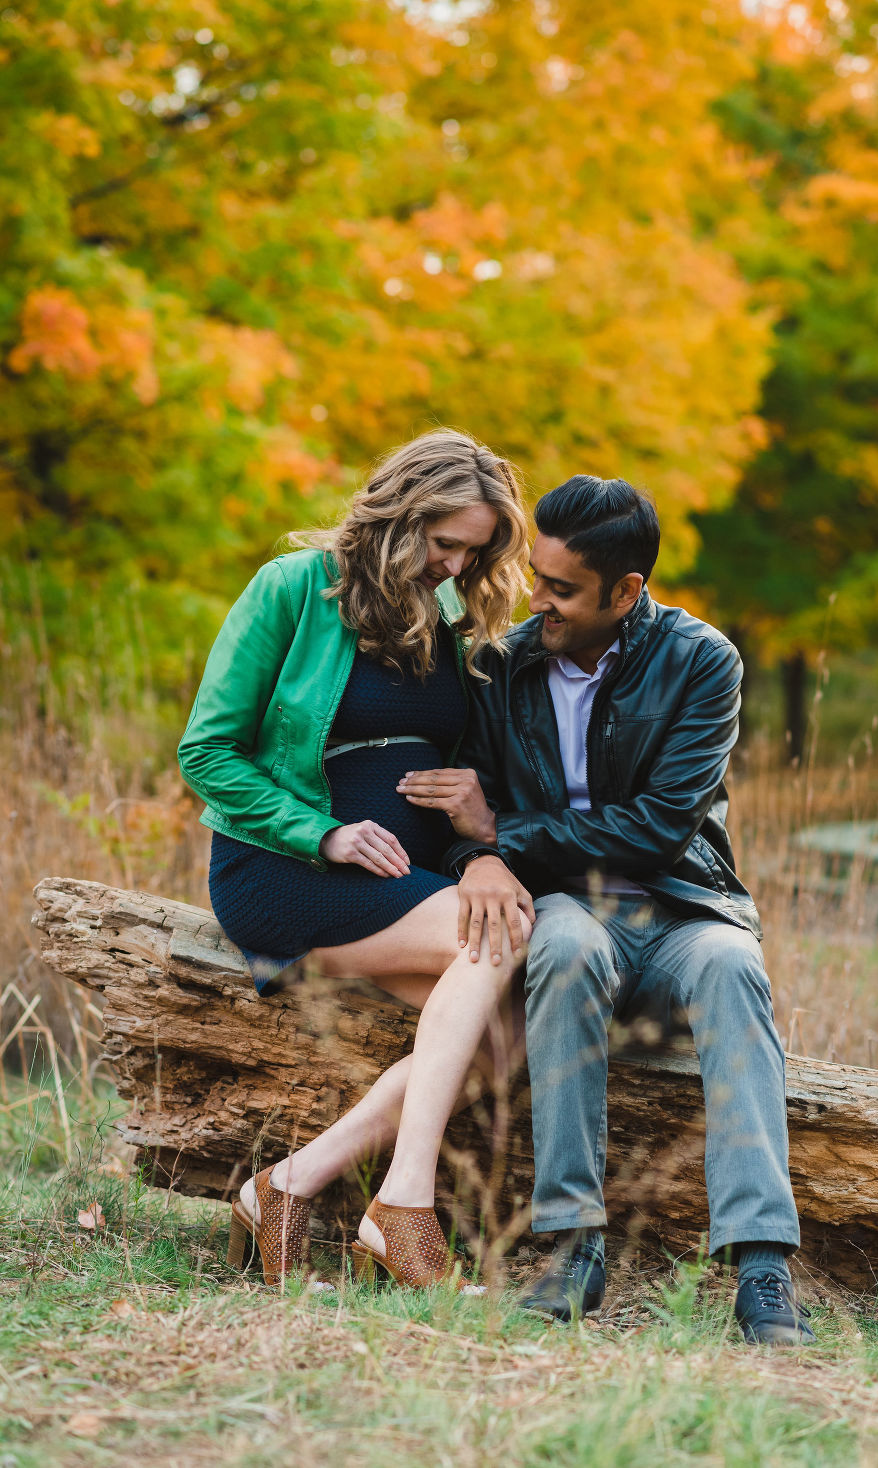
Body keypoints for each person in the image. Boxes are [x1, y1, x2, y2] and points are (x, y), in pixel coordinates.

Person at [398, 475, 814, 1344]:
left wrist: (505, 829)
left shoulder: (703, 662)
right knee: (566, 948)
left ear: (626, 592)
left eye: (561, 588)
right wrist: (477, 853)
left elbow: (661, 828)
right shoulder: (500, 665)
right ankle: (572, 1249)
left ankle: (764, 1268)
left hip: (678, 910)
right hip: (566, 913)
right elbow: (463, 813)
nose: (534, 600)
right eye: (535, 575)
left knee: (738, 966)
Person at [177, 429, 531, 1290]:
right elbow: (207, 751)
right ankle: (403, 1206)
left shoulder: (452, 619)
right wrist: (320, 832)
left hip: (405, 888)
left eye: (472, 551)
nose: (453, 566)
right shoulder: (294, 589)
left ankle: (286, 1186)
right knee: (503, 938)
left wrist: (483, 839)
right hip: (285, 872)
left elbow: (470, 767)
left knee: (504, 1045)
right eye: (442, 543)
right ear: (397, 514)